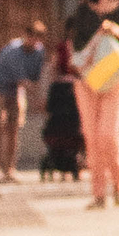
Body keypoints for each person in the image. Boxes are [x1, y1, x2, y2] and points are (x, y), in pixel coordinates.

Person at [74, 9, 119, 210]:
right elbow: (75, 44)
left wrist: (118, 32)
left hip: (116, 78)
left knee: (108, 133)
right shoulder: (82, 11)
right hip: (87, 80)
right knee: (92, 136)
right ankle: (99, 194)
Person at [0, 26, 44, 182]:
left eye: (38, 38)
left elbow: (34, 78)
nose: (35, 42)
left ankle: (10, 169)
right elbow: (23, 79)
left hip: (14, 89)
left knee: (13, 129)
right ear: (26, 36)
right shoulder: (13, 50)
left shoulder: (39, 52)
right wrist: (38, 100)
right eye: (32, 37)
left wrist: (36, 96)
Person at [39, 31, 82, 182]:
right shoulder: (76, 86)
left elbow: (49, 107)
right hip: (72, 131)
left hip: (55, 130)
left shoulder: (56, 86)